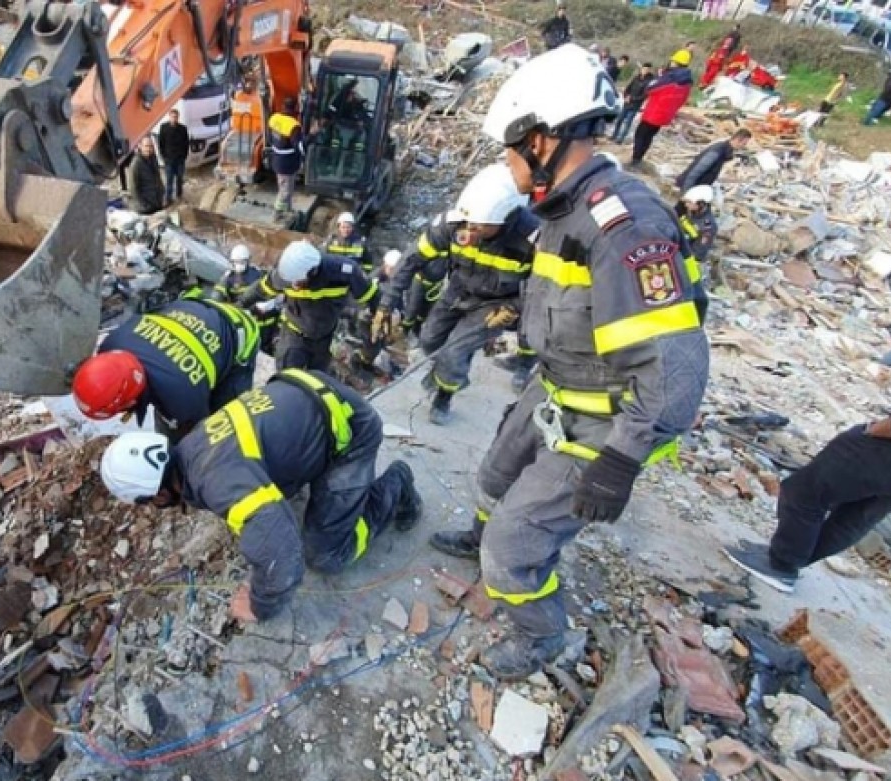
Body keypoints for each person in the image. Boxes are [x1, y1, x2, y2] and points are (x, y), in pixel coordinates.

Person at [435, 43, 708, 680]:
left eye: (509, 148)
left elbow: (674, 370)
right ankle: (484, 538)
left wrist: (621, 459)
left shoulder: (624, 226)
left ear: (542, 138)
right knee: (492, 478)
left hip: (605, 422)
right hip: (558, 387)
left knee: (513, 547)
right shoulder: (561, 211)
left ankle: (540, 633)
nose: (505, 165)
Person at [100, 371, 423, 622]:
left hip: (352, 431)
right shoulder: (190, 447)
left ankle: (397, 485)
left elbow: (282, 554)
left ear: (156, 495)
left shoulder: (214, 482)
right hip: (307, 391)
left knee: (325, 555)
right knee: (271, 501)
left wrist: (260, 603)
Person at [375, 165, 538, 425]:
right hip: (459, 290)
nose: (469, 232)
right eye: (468, 224)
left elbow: (546, 287)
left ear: (505, 220)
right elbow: (411, 260)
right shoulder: (453, 224)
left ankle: (444, 395)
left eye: (479, 228)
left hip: (496, 304)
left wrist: (516, 306)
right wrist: (386, 304)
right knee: (428, 340)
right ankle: (444, 371)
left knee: (455, 351)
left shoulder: (532, 239)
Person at [724, 397, 891, 593]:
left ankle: (782, 564)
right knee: (858, 513)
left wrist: (878, 428)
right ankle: (787, 559)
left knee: (806, 491)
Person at [72, 297, 260, 439]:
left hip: (239, 331)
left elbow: (199, 436)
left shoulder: (182, 400)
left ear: (128, 403)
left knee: (222, 426)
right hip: (193, 312)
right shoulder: (112, 344)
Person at [240, 241, 379, 372]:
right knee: (287, 378)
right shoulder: (283, 276)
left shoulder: (344, 272)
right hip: (294, 334)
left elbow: (372, 296)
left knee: (316, 381)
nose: (294, 285)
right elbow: (259, 290)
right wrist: (239, 305)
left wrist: (379, 314)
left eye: (298, 281)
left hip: (325, 338)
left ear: (313, 271)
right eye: (291, 282)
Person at [630, 50, 693, 168]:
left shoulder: (669, 77)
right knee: (649, 136)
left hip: (653, 112)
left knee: (640, 135)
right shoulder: (688, 81)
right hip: (666, 115)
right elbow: (683, 100)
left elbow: (650, 89)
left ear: (675, 62)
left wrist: (659, 77)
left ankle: (635, 160)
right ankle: (639, 158)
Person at [675, 128, 751, 190]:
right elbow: (695, 172)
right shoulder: (717, 151)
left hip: (698, 187)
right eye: (744, 144)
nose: (744, 146)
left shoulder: (725, 151)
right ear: (737, 139)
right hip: (691, 187)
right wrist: (686, 191)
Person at [268, 98, 304, 216]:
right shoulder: (294, 126)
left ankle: (286, 210)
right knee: (286, 191)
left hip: (276, 159)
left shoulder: (274, 118)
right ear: (296, 108)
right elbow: (300, 147)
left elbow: (270, 138)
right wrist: (310, 136)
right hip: (287, 164)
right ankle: (277, 212)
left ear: (283, 106)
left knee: (284, 186)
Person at [675, 185, 717, 286]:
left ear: (701, 204)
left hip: (688, 260)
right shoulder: (689, 211)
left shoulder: (707, 227)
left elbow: (698, 252)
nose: (686, 205)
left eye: (689, 202)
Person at [612, 62, 654, 143]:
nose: (644, 71)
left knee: (628, 122)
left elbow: (644, 96)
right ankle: (614, 135)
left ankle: (620, 139)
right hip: (627, 103)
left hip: (635, 105)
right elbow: (628, 87)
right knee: (619, 120)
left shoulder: (649, 81)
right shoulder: (636, 77)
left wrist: (632, 99)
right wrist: (625, 96)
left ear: (649, 70)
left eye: (646, 69)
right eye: (643, 69)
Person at [157, 109, 190, 205]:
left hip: (180, 159)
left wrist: (184, 156)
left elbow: (186, 143)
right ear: (169, 117)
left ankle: (179, 196)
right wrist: (164, 157)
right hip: (169, 160)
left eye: (176, 117)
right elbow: (161, 143)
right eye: (172, 117)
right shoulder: (164, 128)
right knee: (169, 180)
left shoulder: (183, 128)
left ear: (178, 117)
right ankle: (168, 199)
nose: (174, 119)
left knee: (180, 179)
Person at [127, 136, 165, 215]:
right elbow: (133, 189)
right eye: (146, 146)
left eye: (151, 146)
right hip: (145, 208)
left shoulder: (153, 158)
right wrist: (144, 205)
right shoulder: (136, 164)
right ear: (140, 146)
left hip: (157, 203)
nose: (149, 149)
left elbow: (157, 177)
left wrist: (162, 192)